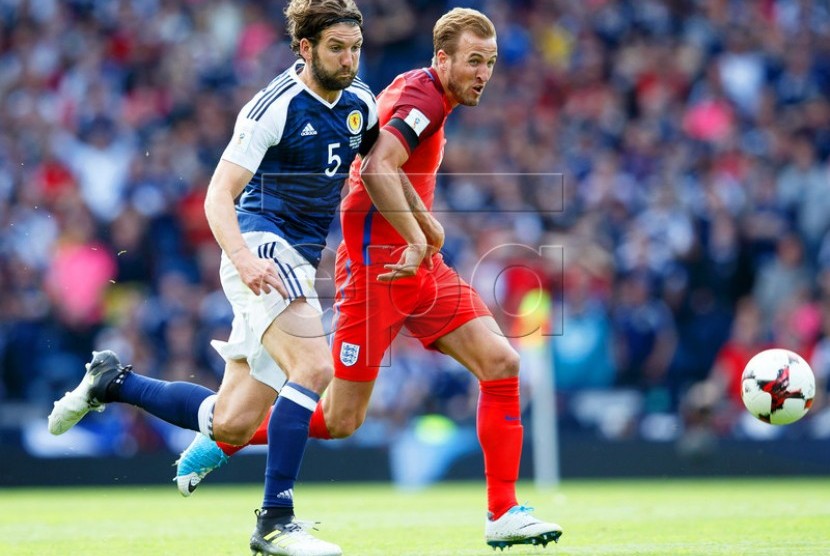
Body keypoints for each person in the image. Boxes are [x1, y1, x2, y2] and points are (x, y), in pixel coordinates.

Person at [177, 7, 563, 550]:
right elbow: (377, 167)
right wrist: (413, 235)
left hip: (420, 269)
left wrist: (425, 233)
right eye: (474, 61)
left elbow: (383, 164)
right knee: (339, 419)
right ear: (441, 58)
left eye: (491, 62)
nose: (484, 73)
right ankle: (225, 438)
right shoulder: (422, 98)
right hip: (376, 271)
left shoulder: (422, 95)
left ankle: (503, 512)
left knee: (501, 362)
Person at [47, 1, 377, 555]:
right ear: (305, 48)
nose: (349, 60)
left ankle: (112, 382)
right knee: (315, 365)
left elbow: (379, 167)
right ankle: (275, 520)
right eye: (337, 49)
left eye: (355, 49)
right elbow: (217, 196)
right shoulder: (272, 106)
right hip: (260, 245)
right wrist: (245, 259)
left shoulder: (361, 103)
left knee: (230, 424)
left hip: (299, 257)